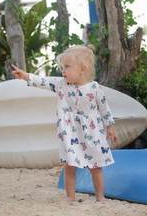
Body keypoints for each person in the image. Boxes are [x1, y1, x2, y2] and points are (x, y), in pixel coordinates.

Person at [11, 45, 117, 202]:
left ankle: (100, 196)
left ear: (83, 69)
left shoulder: (94, 88)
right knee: (69, 166)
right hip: (71, 134)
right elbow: (43, 81)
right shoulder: (61, 85)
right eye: (63, 66)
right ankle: (70, 196)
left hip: (92, 134)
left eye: (67, 66)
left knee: (96, 167)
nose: (63, 70)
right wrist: (26, 76)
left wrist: (110, 127)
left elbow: (104, 108)